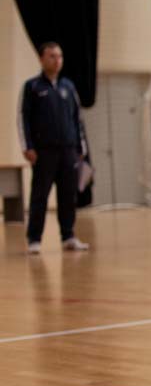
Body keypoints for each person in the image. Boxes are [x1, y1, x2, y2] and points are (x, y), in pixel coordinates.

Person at [19, 42, 90, 254]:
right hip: (44, 152)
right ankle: (34, 239)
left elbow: (78, 119)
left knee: (68, 195)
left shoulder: (68, 87)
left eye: (59, 56)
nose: (57, 60)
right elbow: (23, 118)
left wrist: (81, 147)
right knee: (40, 196)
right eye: (52, 56)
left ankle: (68, 236)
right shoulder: (32, 87)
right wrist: (27, 146)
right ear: (42, 59)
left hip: (68, 150)